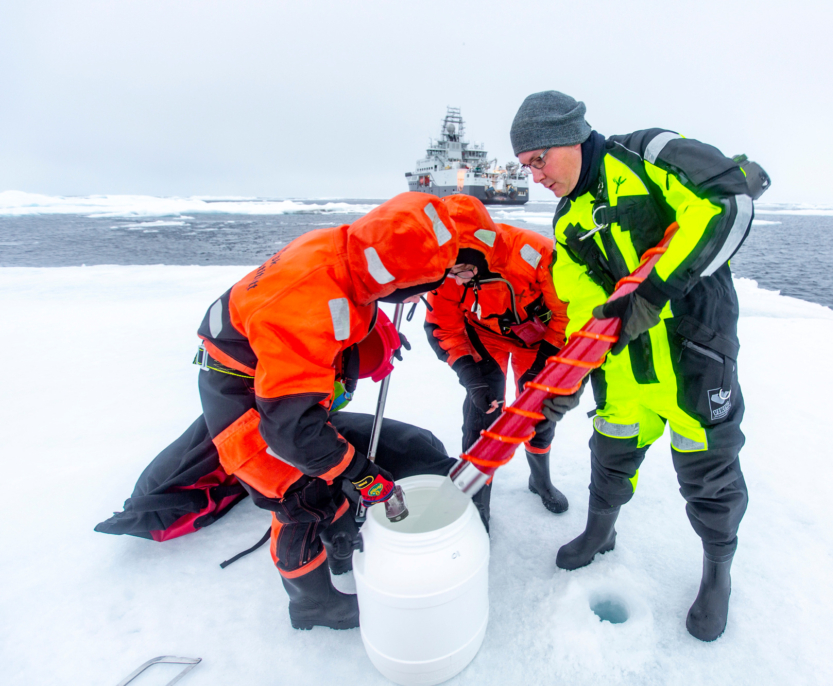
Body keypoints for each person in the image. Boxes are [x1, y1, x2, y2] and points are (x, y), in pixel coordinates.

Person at [509, 91, 769, 641]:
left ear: (572, 135)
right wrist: (567, 381)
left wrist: (654, 291)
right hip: (626, 364)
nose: (534, 176)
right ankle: (600, 532)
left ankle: (717, 573)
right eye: (525, 166)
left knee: (709, 473)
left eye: (539, 160)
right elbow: (583, 309)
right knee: (611, 451)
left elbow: (726, 202)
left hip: (694, 351)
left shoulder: (649, 154)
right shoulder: (566, 222)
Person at [193, 192, 458, 630]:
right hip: (248, 401)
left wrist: (376, 325)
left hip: (275, 381)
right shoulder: (309, 305)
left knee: (329, 473)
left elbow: (350, 292)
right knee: (301, 496)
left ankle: (335, 538)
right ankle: (313, 605)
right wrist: (360, 474)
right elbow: (292, 430)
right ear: (395, 280)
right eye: (417, 290)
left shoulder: (346, 247)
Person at [423, 195, 571, 522]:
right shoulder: (448, 269)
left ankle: (540, 480)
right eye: (451, 273)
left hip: (536, 341)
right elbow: (443, 326)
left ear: (478, 252)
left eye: (461, 271)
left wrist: (544, 363)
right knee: (480, 415)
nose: (457, 281)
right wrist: (469, 375)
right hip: (483, 337)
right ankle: (478, 505)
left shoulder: (536, 253)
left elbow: (565, 313)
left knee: (539, 414)